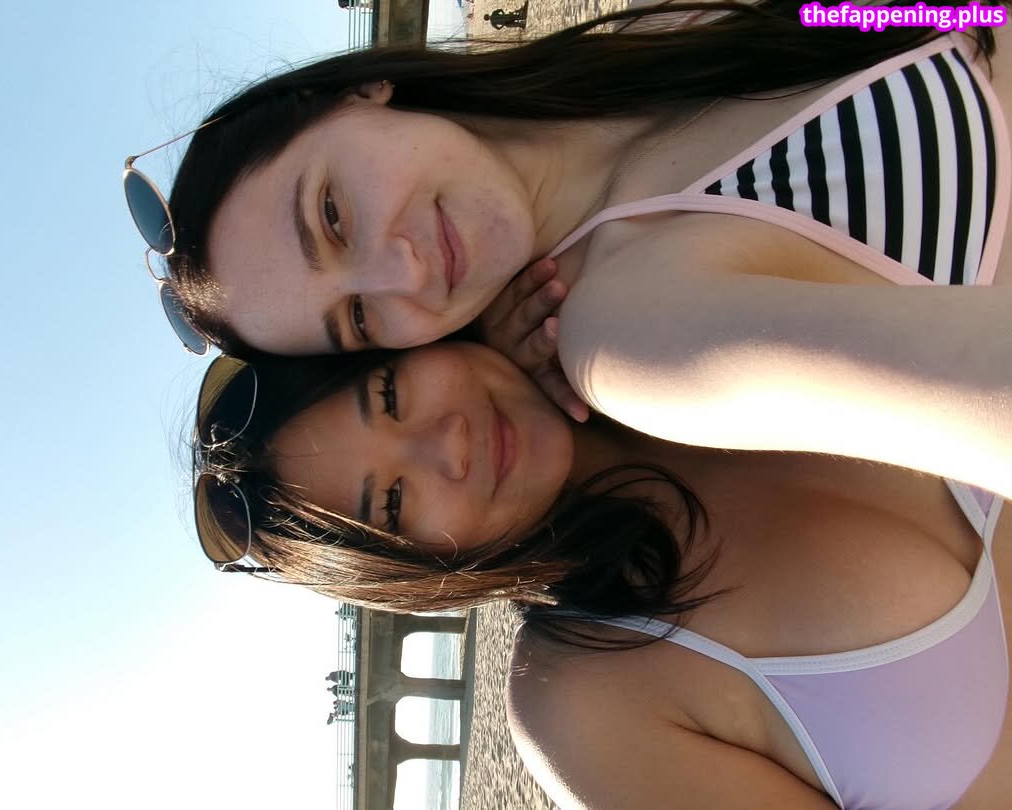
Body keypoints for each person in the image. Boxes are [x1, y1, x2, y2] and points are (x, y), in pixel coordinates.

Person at [125, 1, 1012, 494]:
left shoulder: (645, 44)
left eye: (332, 215)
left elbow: (922, 14)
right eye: (358, 318)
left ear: (356, 92)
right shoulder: (626, 340)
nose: (401, 272)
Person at [188, 341, 1009, 809]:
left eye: (390, 391)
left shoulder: (668, 306)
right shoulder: (583, 694)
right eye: (395, 502)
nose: (450, 443)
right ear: (422, 568)